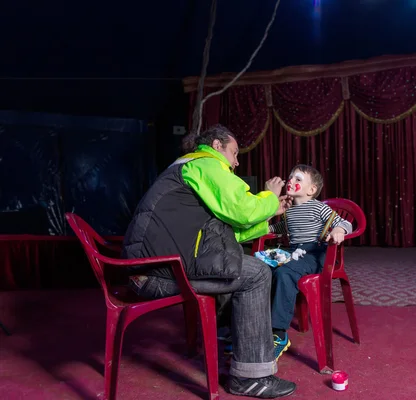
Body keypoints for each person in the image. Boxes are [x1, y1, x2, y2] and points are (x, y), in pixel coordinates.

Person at [121, 124, 296, 398]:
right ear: (216, 146)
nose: (237, 162)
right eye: (234, 153)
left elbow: (228, 230)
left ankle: (234, 340)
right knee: (257, 273)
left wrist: (271, 214)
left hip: (150, 267)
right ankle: (250, 376)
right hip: (156, 272)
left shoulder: (185, 167)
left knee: (236, 263)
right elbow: (240, 211)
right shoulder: (204, 164)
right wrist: (270, 196)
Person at [267, 165, 353, 361]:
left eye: (298, 179)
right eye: (290, 177)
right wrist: (269, 211)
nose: (291, 181)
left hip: (316, 253)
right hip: (295, 252)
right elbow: (272, 228)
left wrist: (339, 230)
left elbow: (344, 222)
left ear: (311, 190)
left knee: (285, 273)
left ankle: (278, 333)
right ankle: (257, 323)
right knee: (262, 268)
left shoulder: (318, 206)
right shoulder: (289, 212)